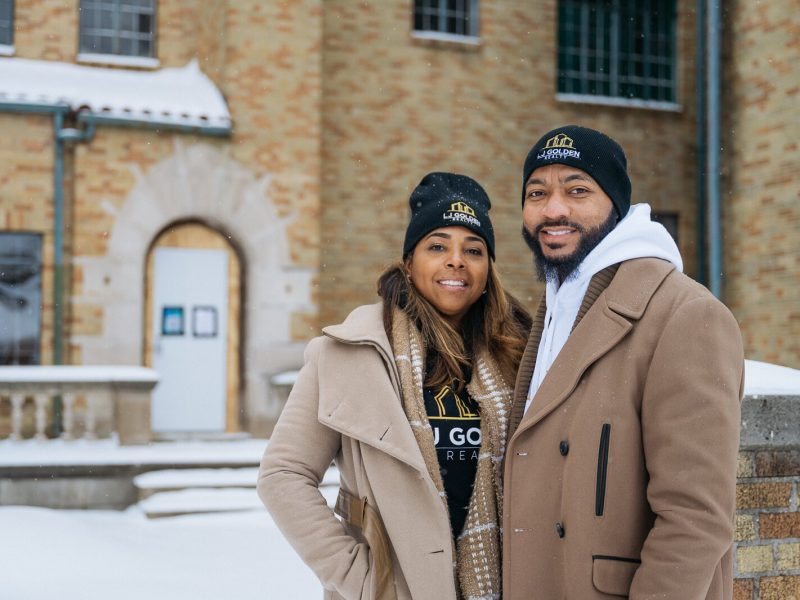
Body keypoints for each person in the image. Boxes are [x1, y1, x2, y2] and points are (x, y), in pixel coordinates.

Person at [258, 172, 531, 600]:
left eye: (473, 250)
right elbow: (283, 475)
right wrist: (364, 581)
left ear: (487, 269)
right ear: (409, 262)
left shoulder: (521, 359)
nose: (456, 260)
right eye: (437, 246)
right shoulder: (347, 353)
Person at [503, 125, 744, 599]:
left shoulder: (686, 315)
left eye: (577, 190)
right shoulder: (558, 306)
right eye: (537, 192)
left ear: (616, 205)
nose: (553, 209)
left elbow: (696, 519)